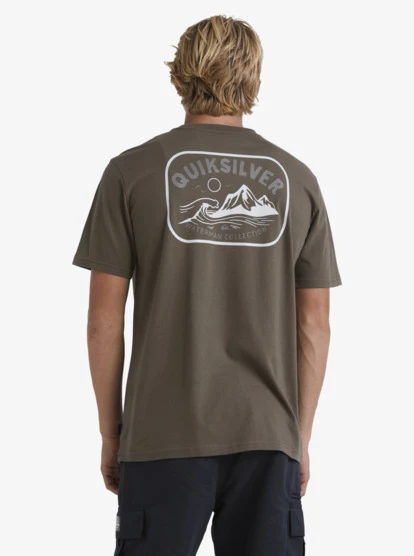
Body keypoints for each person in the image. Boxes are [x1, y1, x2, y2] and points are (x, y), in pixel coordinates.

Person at [73, 14, 341, 556]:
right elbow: (314, 324)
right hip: (268, 437)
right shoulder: (298, 179)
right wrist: (298, 438)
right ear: (254, 76)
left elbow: (104, 320)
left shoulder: (131, 172)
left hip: (161, 434)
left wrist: (112, 432)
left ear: (180, 73)